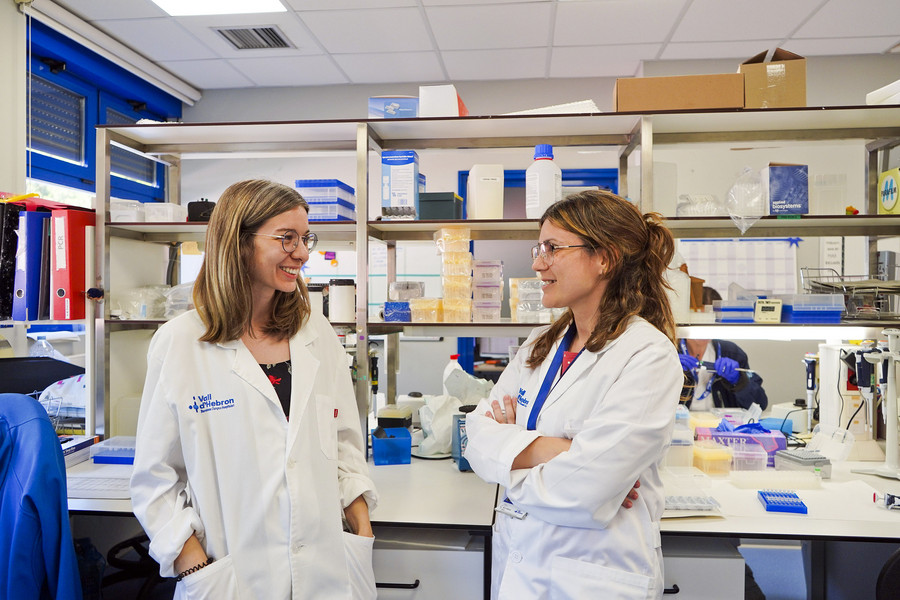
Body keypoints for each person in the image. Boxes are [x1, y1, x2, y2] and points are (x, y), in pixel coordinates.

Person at [130, 180, 378, 599]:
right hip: (234, 577)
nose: (301, 252)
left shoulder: (315, 332)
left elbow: (344, 445)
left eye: (305, 238)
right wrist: (194, 562)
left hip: (328, 572)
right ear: (238, 241)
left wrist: (361, 527)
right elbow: (155, 478)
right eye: (286, 238)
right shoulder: (181, 343)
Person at [463, 190, 683, 599]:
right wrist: (566, 451)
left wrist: (507, 458)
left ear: (605, 258)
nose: (537, 262)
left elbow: (583, 494)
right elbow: (474, 435)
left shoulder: (647, 356)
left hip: (594, 575)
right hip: (521, 566)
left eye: (553, 248)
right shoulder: (540, 344)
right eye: (539, 247)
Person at [678, 288, 768, 412]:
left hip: (720, 427)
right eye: (699, 320)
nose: (705, 329)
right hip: (678, 426)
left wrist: (739, 381)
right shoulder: (669, 351)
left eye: (711, 321)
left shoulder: (732, 353)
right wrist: (668, 372)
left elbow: (760, 405)